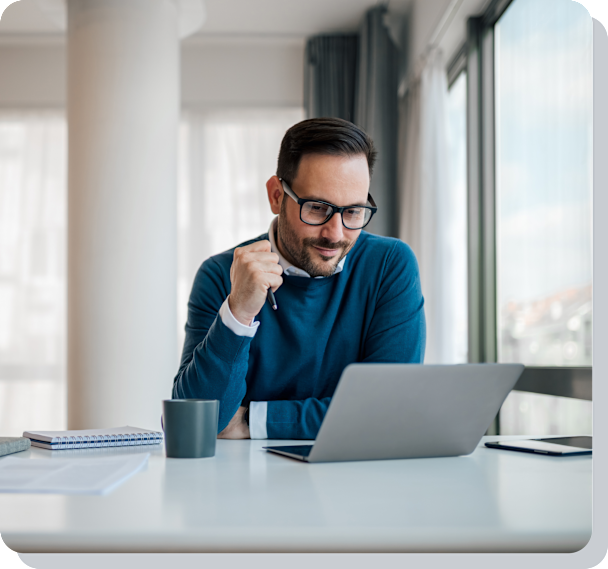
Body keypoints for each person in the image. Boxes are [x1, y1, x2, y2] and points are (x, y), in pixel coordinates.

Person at [172, 117, 426, 440]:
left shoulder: (391, 266)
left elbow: (389, 411)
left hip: (357, 484)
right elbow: (191, 423)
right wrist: (238, 313)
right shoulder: (221, 275)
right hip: (242, 487)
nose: (335, 234)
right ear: (277, 196)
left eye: (353, 212)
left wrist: (255, 421)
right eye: (318, 208)